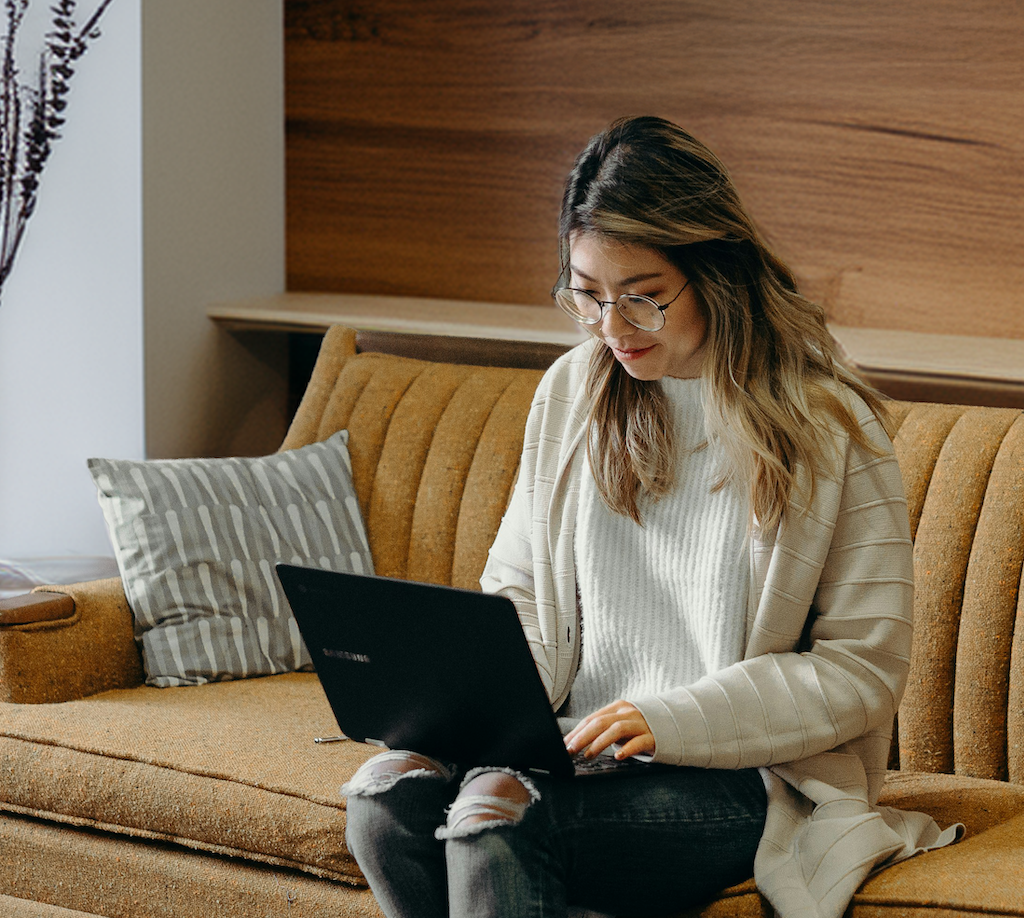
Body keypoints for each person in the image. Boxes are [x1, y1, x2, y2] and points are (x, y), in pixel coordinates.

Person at [340, 116, 956, 918]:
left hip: (744, 779)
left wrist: (665, 720)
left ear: (717, 271)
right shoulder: (571, 393)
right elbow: (520, 591)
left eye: (644, 298)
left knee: (497, 815)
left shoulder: (827, 425)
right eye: (588, 295)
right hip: (567, 749)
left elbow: (862, 669)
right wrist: (476, 706)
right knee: (386, 800)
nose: (612, 329)